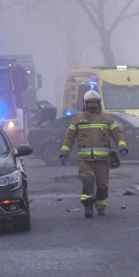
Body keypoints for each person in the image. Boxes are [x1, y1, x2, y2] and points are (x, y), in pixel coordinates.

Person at [59, 90, 128, 218]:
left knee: (102, 185)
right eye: (90, 102)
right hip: (85, 160)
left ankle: (101, 205)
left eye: (94, 102)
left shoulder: (107, 119)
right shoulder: (78, 119)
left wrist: (122, 147)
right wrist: (64, 153)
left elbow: (117, 134)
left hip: (102, 160)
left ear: (98, 103)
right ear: (85, 104)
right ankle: (88, 207)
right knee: (88, 182)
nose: (92, 105)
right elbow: (69, 137)